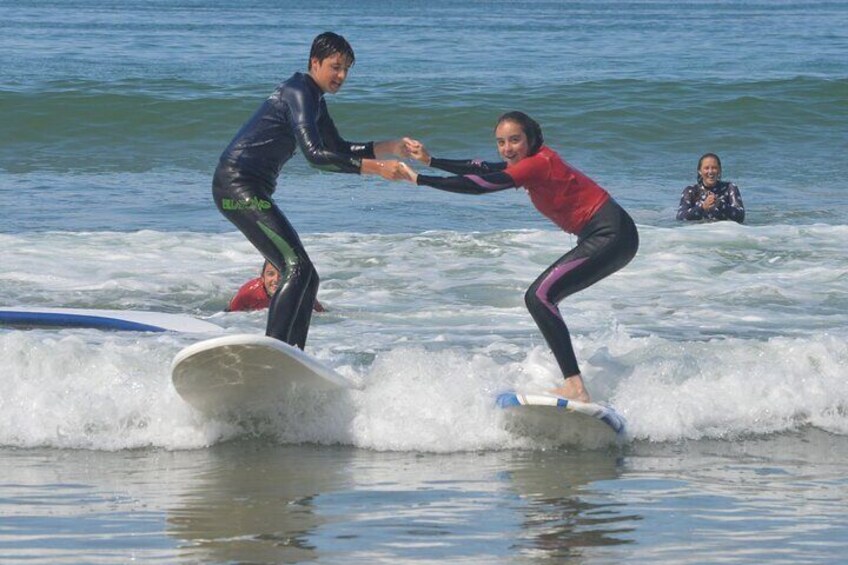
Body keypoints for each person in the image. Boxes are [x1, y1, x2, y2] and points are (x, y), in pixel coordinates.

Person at [396, 111, 639, 403]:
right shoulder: (531, 162)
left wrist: (419, 179)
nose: (507, 148)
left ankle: (575, 387)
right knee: (542, 297)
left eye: (514, 140)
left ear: (531, 139)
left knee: (540, 297)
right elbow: (484, 168)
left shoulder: (537, 164)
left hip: (611, 234)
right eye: (501, 142)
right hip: (613, 234)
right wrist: (431, 160)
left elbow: (480, 185)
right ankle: (575, 384)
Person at [213, 32, 409, 349]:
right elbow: (316, 156)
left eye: (346, 69)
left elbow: (339, 147)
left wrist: (390, 148)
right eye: (335, 67)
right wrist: (376, 168)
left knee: (309, 277)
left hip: (251, 190)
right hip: (235, 187)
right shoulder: (298, 91)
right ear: (314, 63)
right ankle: (273, 350)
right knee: (297, 267)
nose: (342, 76)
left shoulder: (314, 99)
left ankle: (292, 355)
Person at [227, 260, 325, 313]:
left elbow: (321, 314)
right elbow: (230, 318)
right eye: (270, 274)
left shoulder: (298, 293)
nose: (276, 279)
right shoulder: (247, 294)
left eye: (282, 274)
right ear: (262, 277)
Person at [676, 153, 745, 223]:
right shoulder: (690, 190)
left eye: (714, 168)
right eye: (706, 168)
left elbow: (740, 217)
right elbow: (680, 217)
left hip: (724, 231)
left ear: (719, 170)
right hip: (698, 232)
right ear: (700, 171)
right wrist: (702, 207)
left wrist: (720, 204)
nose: (710, 172)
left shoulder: (729, 188)